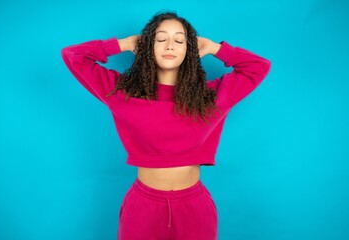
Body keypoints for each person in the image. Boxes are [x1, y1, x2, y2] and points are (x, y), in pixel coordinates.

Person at [61, 10, 271, 240]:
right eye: (160, 39)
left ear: (189, 50)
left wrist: (214, 47)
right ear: (147, 47)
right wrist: (123, 43)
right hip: (142, 207)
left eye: (179, 40)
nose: (170, 45)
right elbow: (73, 56)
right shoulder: (122, 93)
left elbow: (258, 67)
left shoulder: (212, 96)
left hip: (194, 207)